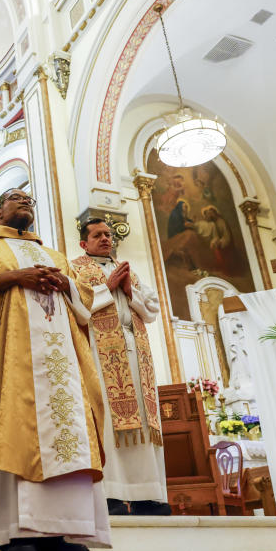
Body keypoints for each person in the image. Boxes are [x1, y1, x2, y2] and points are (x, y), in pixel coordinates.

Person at [0, 188, 111, 551]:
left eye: (29, 200)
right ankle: (11, 532)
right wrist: (10, 278)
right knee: (11, 431)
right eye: (15, 198)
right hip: (8, 366)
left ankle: (61, 530)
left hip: (62, 369)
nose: (25, 202)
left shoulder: (55, 256)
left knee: (65, 430)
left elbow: (85, 303)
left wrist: (66, 283)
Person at [70, 219, 169, 516]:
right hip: (100, 354)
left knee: (142, 420)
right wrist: (107, 287)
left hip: (136, 354)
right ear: (83, 244)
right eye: (97, 235)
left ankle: (148, 495)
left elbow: (151, 310)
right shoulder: (75, 268)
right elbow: (74, 306)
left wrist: (129, 290)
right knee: (109, 425)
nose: (105, 238)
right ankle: (112, 494)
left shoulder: (129, 270)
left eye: (108, 234)